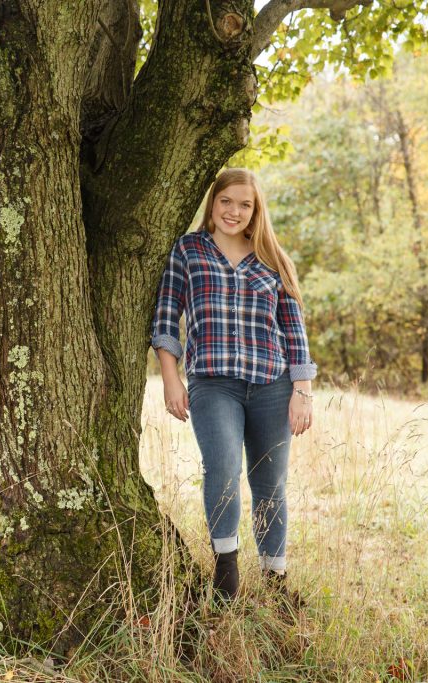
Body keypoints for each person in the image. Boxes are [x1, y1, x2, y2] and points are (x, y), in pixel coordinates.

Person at [151, 168, 316, 601]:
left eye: (245, 205)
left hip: (272, 385)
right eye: (227, 201)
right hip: (213, 383)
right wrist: (171, 379)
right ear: (214, 201)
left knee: (270, 483)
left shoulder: (272, 259)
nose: (234, 211)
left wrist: (302, 392)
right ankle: (226, 576)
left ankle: (276, 580)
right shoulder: (189, 250)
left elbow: (294, 332)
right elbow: (166, 319)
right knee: (222, 470)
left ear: (255, 210)